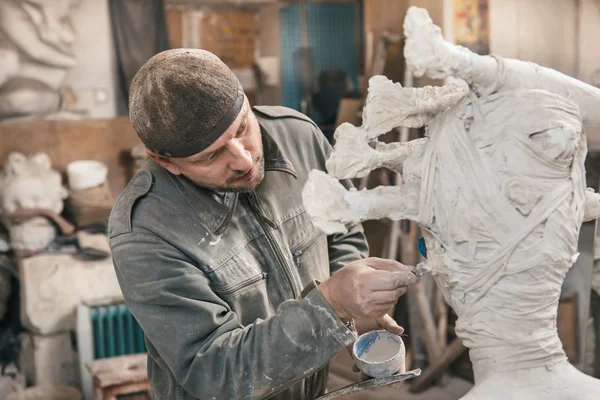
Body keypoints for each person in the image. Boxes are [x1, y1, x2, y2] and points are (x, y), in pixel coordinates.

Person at [108, 48, 418, 400]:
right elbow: (215, 372)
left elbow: (341, 228)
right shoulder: (145, 230)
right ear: (166, 161)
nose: (242, 160)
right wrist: (331, 307)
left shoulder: (299, 137)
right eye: (211, 155)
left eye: (242, 127)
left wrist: (352, 312)